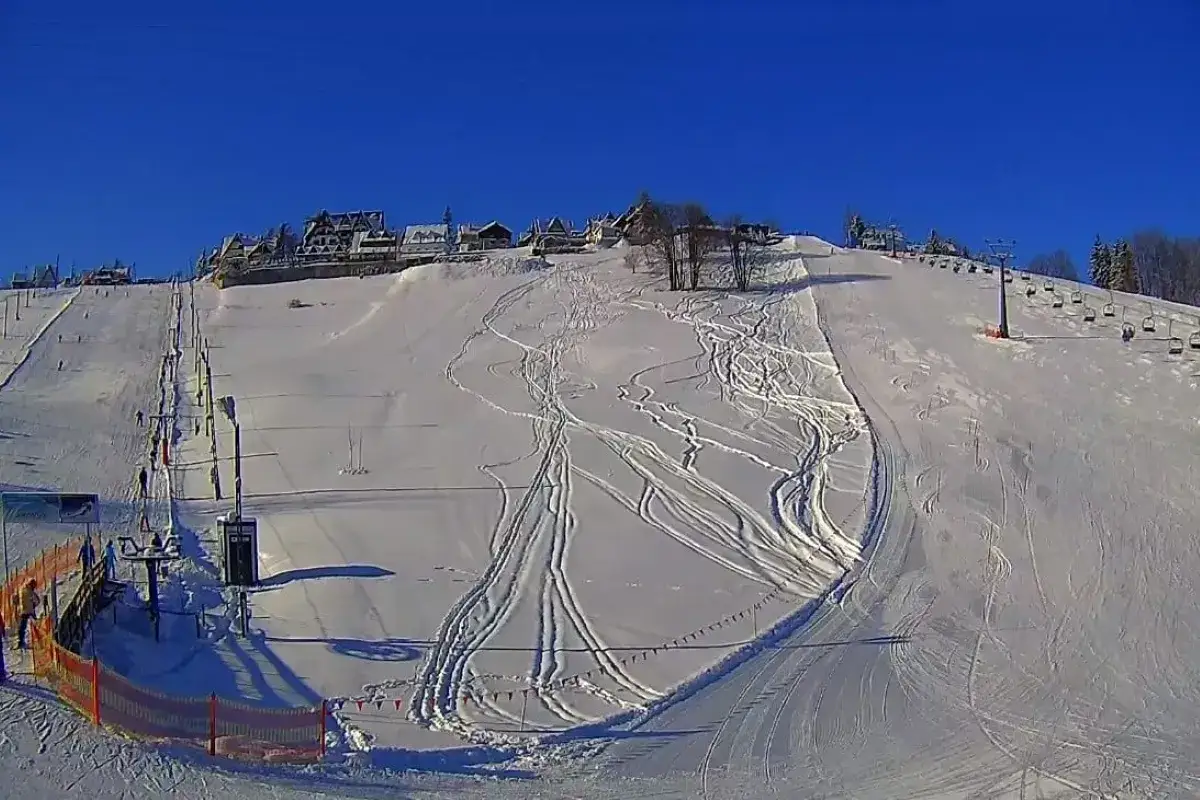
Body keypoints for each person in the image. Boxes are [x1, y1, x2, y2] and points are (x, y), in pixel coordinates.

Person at [16, 579, 39, 650]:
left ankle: (21, 642)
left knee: (22, 628)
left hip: (23, 611)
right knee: (35, 626)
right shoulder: (30, 592)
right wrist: (34, 604)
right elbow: (37, 600)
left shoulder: (21, 590)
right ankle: (39, 639)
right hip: (29, 611)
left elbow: (16, 599)